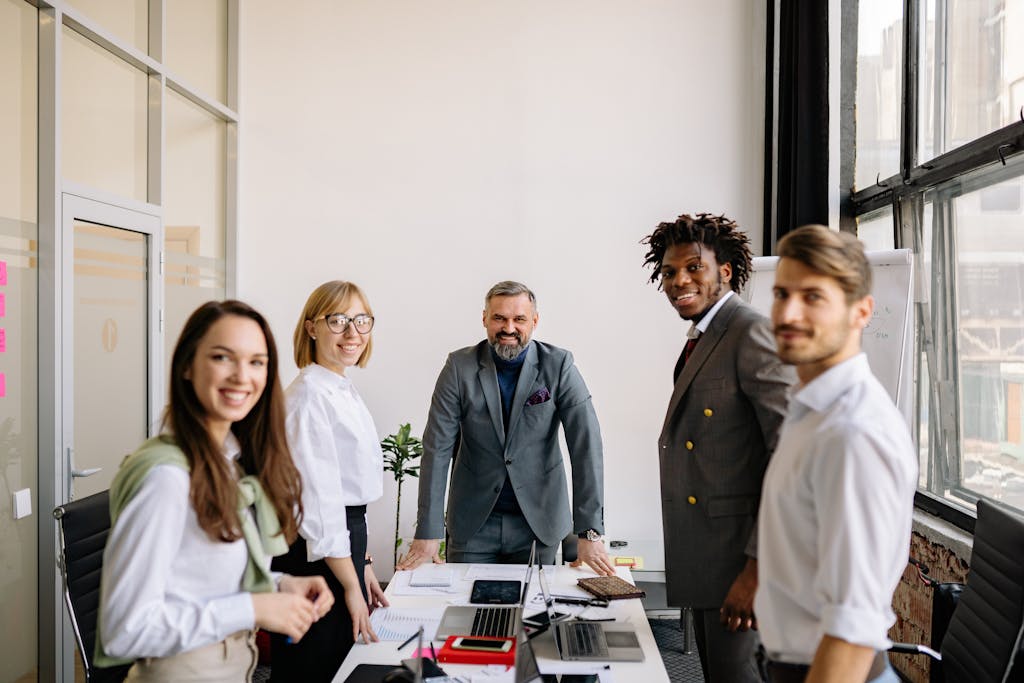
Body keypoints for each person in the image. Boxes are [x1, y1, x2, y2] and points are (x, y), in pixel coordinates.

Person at [97, 300, 333, 682]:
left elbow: (198, 579)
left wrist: (280, 585)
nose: (242, 376)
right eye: (223, 357)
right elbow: (123, 631)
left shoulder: (227, 461)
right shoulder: (168, 479)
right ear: (187, 366)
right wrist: (253, 608)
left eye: (256, 362)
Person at [755, 225, 916, 683]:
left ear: (861, 312)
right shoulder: (811, 411)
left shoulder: (852, 433)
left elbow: (853, 629)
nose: (788, 313)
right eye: (782, 294)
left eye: (813, 297)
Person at [640, 213, 795, 682]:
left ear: (724, 271)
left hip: (740, 563)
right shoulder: (707, 336)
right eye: (669, 272)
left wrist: (757, 570)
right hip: (709, 557)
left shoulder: (750, 331)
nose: (679, 281)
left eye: (694, 268)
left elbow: (790, 458)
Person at [397, 280, 614, 574]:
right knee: (466, 603)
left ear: (534, 321)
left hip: (539, 523)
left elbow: (586, 446)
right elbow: (437, 449)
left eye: (519, 319)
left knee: (535, 604)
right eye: (499, 318)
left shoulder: (559, 365)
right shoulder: (458, 367)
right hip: (473, 523)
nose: (509, 328)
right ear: (485, 318)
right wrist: (428, 531)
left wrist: (589, 532)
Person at [269, 281, 389, 683]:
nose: (352, 332)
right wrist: (351, 586)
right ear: (311, 328)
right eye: (338, 320)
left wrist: (363, 563)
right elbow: (320, 507)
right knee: (313, 668)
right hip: (315, 555)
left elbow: (351, 490)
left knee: (340, 664)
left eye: (361, 320)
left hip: (343, 543)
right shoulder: (308, 397)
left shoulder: (339, 386)